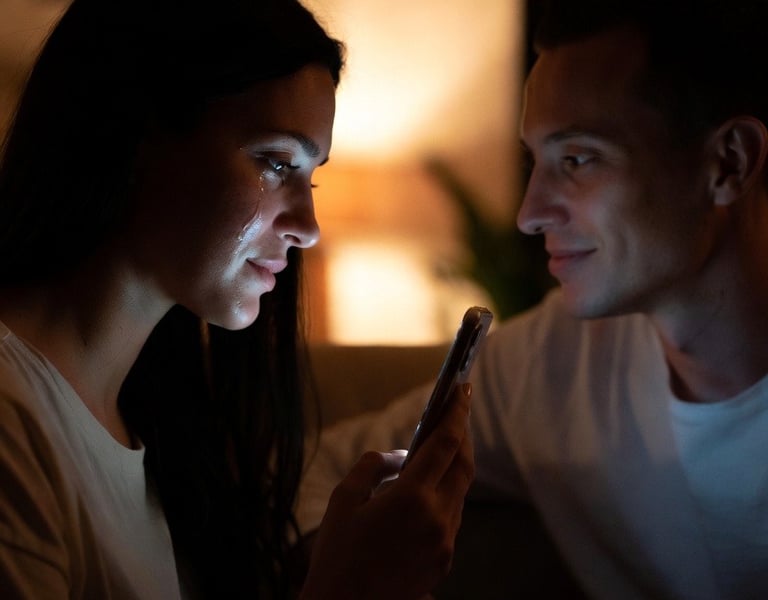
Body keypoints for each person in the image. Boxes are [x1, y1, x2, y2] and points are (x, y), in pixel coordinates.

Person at [0, 1, 475, 598]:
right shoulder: (12, 418)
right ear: (136, 136)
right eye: (276, 163)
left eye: (312, 175)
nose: (309, 226)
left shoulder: (163, 427)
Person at [297, 1, 768, 598]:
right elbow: (319, 470)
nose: (528, 215)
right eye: (536, 161)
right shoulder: (552, 365)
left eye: (577, 158)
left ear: (729, 162)